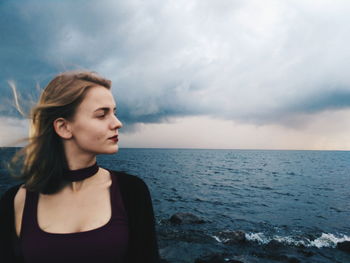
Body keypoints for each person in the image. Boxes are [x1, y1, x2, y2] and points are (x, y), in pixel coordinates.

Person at [0, 71, 160, 263]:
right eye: (102, 115)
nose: (118, 123)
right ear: (64, 127)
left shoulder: (132, 191)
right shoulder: (16, 200)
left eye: (114, 113)